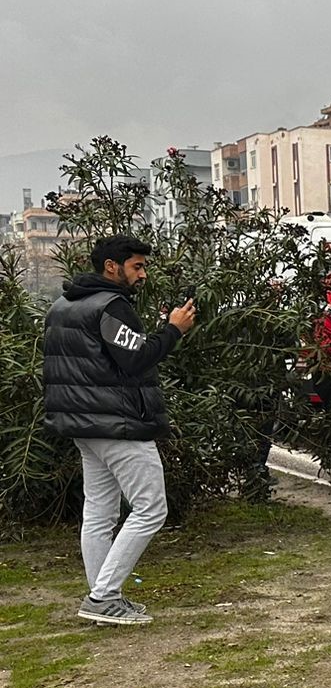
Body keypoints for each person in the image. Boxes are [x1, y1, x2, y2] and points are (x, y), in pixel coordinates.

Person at [40, 234, 196, 626]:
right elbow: (136, 359)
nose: (142, 274)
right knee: (151, 508)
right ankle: (103, 596)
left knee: (100, 511)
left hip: (82, 424)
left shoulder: (63, 305)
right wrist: (173, 329)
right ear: (112, 266)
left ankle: (102, 596)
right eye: (137, 266)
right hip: (118, 424)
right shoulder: (111, 306)